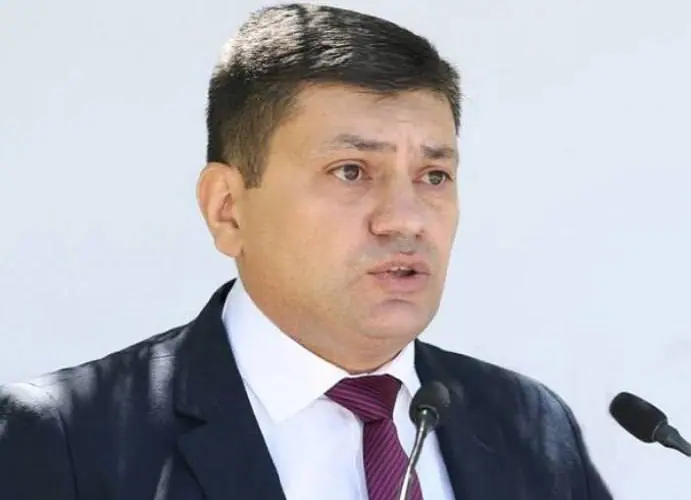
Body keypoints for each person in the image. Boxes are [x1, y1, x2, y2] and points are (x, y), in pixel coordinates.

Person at [0, 4, 614, 499]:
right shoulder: (67, 438)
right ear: (227, 208)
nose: (406, 219)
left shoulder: (528, 423)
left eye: (434, 177)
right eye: (351, 171)